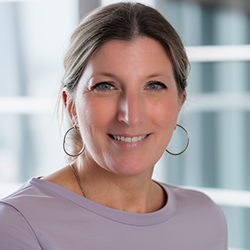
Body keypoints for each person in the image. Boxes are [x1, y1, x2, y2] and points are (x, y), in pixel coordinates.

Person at [0, 2, 227, 249]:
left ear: (179, 102)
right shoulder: (18, 226)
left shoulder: (205, 219)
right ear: (71, 106)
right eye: (106, 86)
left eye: (153, 86)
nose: (130, 116)